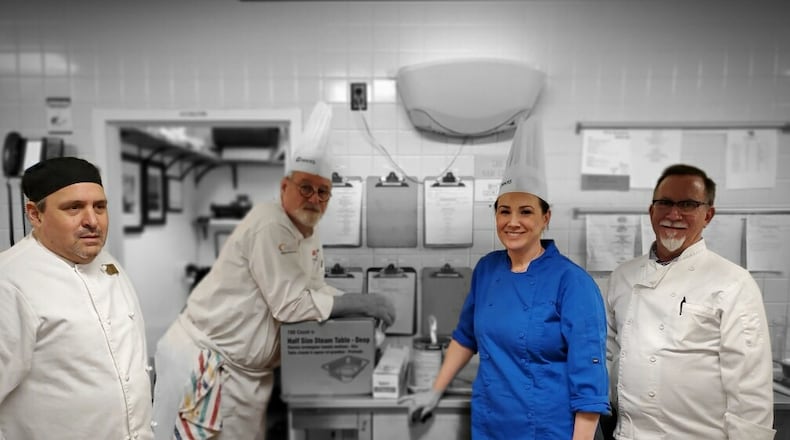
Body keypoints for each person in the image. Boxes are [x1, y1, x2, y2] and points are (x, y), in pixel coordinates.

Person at [151, 102, 396, 440]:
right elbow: (290, 304)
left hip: (246, 376)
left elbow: (313, 289)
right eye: (305, 187)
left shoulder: (307, 233)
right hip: (206, 363)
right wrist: (363, 303)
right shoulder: (270, 224)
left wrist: (364, 317)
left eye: (323, 191)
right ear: (285, 188)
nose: (314, 198)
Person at [402, 117, 610, 439]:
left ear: (546, 217)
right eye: (504, 211)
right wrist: (434, 390)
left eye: (525, 211)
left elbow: (590, 379)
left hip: (548, 430)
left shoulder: (573, 283)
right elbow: (465, 337)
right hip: (490, 425)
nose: (513, 222)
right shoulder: (487, 269)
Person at [605, 164, 775, 439]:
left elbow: (749, 384)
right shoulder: (623, 276)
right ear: (651, 211)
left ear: (708, 214)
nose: (674, 214)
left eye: (688, 204)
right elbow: (608, 353)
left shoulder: (733, 282)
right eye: (665, 203)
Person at [0, 157, 153, 439]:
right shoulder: (9, 283)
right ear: (35, 214)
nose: (92, 221)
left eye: (100, 207)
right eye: (74, 208)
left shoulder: (108, 264)